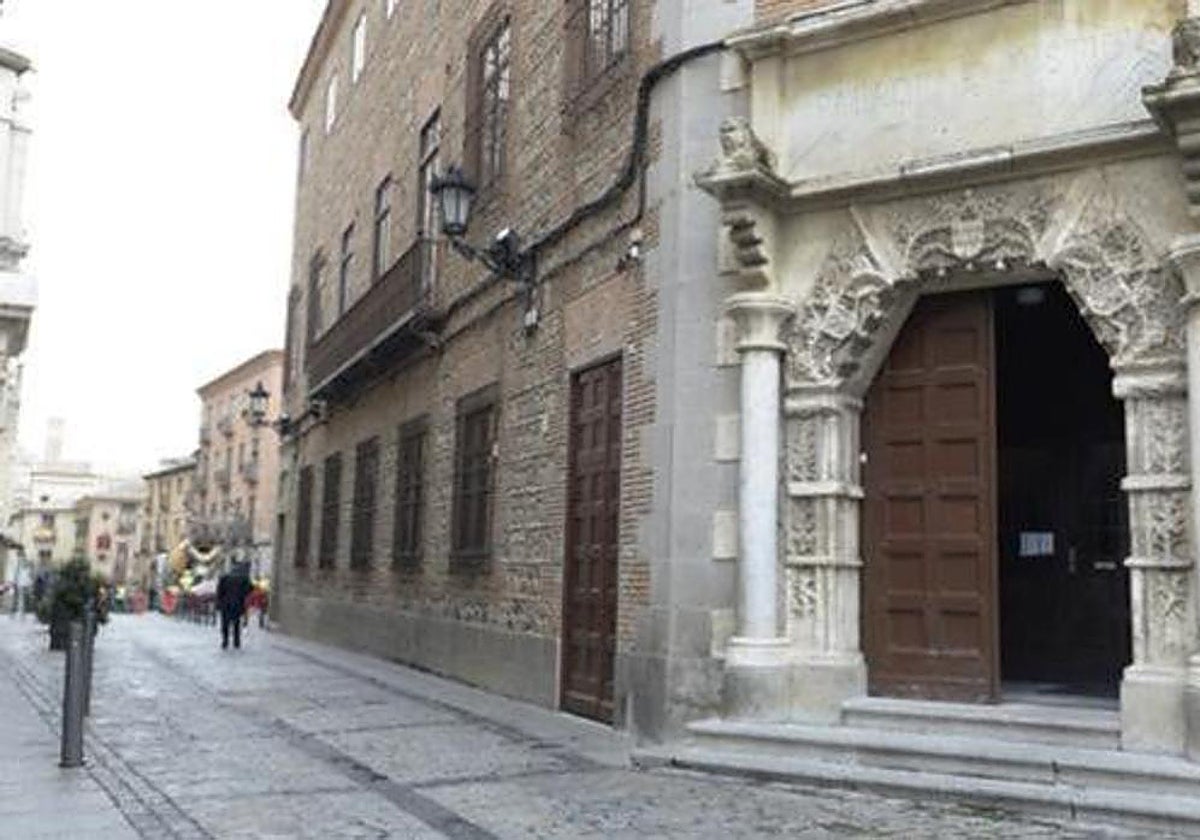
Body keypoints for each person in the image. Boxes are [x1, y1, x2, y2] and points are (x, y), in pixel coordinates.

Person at [216, 565, 252, 650]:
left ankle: (225, 641)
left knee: (225, 623)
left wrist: (219, 603)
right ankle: (236, 641)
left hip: (226, 604)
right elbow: (250, 589)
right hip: (238, 604)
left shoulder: (224, 578)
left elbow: (219, 592)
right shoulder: (243, 579)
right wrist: (242, 595)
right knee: (236, 623)